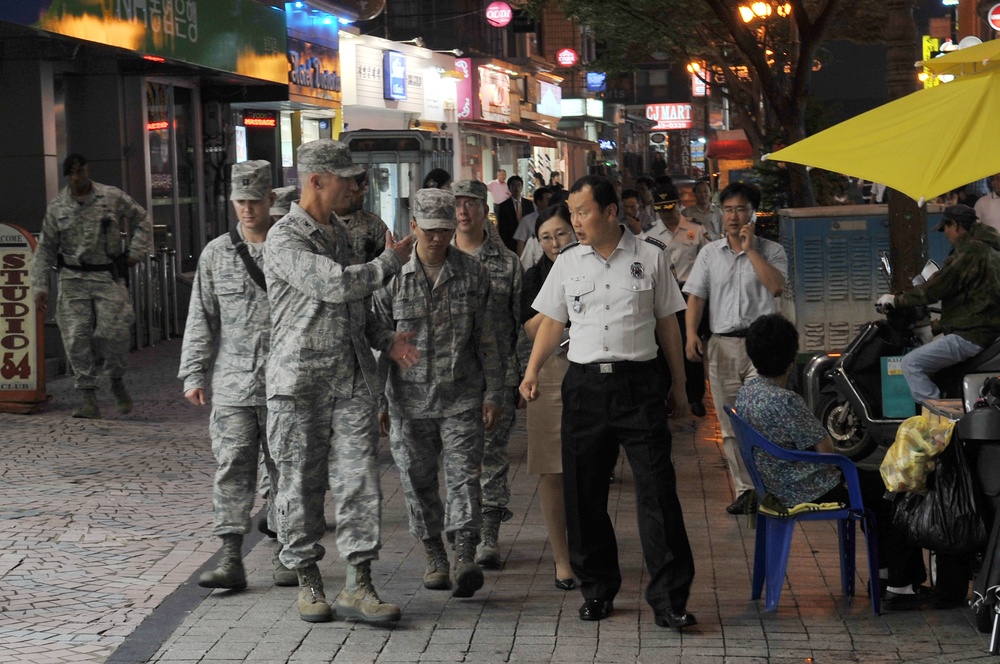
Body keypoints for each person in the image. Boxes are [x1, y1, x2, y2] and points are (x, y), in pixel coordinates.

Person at [519, 175, 696, 630]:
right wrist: (532, 370)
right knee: (583, 494)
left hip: (639, 386)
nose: (575, 222)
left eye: (583, 212)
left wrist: (679, 388)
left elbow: (668, 327)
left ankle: (669, 599)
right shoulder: (567, 263)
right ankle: (596, 590)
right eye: (572, 213)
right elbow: (553, 322)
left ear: (611, 212)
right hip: (584, 388)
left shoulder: (650, 258)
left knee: (657, 491)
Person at [264, 138, 417, 624]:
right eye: (345, 178)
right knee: (300, 485)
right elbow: (337, 285)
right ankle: (308, 579)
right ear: (316, 181)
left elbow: (359, 307)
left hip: (351, 381)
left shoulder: (342, 235)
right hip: (299, 385)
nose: (354, 185)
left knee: (360, 483)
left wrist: (385, 337)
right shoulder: (285, 237)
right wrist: (391, 260)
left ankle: (359, 584)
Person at [734, 314, 929, 610]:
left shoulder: (747, 393)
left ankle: (885, 576)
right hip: (809, 487)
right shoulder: (787, 401)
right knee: (895, 491)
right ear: (791, 358)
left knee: (876, 492)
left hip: (776, 484)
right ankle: (900, 586)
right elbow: (827, 452)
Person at [373, 188, 503, 598]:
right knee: (416, 480)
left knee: (465, 476)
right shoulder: (390, 277)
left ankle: (464, 552)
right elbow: (374, 337)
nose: (437, 239)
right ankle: (434, 554)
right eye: (429, 231)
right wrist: (379, 400)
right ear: (413, 228)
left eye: (445, 230)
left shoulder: (473, 272)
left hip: (461, 395)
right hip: (407, 401)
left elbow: (488, 339)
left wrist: (494, 392)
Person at [178, 160, 294, 591]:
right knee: (232, 468)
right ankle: (230, 556)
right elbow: (202, 317)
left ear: (270, 200)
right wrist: (193, 373)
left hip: (287, 384)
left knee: (287, 470)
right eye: (239, 201)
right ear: (232, 202)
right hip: (233, 385)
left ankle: (287, 551)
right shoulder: (216, 253)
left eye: (254, 201)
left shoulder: (292, 249)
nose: (247, 209)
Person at [683, 181, 787, 516]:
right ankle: (745, 490)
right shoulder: (710, 253)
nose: (733, 215)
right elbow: (696, 297)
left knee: (763, 418)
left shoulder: (772, 251)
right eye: (728, 209)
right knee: (730, 423)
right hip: (722, 345)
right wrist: (690, 335)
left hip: (763, 346)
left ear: (753, 213)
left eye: (741, 209)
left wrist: (750, 249)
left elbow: (776, 286)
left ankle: (769, 488)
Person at [31, 153, 152, 419]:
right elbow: (45, 249)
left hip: (107, 274)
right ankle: (88, 398)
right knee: (75, 338)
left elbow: (143, 220)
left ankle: (116, 378)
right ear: (67, 176)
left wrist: (134, 252)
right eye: (73, 173)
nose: (78, 178)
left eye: (82, 171)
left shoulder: (110, 196)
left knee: (115, 332)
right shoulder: (57, 207)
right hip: (72, 277)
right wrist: (40, 287)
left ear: (88, 170)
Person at [452, 179, 523, 570]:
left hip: (496, 377)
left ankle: (489, 535)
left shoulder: (507, 262)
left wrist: (520, 376)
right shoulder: (439, 256)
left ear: (484, 210)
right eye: (457, 205)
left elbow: (518, 324)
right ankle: (465, 531)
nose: (463, 212)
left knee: (493, 457)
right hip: (452, 380)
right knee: (461, 460)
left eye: (471, 205)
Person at [879, 204, 1000, 404]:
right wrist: (934, 327)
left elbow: (937, 289)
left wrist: (896, 301)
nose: (945, 234)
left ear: (956, 225)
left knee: (911, 363)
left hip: (972, 335)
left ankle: (939, 417)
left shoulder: (971, 251)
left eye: (946, 228)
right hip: (984, 329)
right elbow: (971, 304)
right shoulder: (988, 247)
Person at [521, 202, 576, 591]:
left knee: (586, 468)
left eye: (560, 234)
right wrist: (560, 285)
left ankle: (588, 548)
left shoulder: (595, 265)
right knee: (551, 470)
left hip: (589, 369)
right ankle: (562, 561)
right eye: (545, 238)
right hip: (550, 372)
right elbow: (530, 329)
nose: (554, 242)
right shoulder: (535, 275)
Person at [644, 184, 709, 416]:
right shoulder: (648, 235)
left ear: (678, 204)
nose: (667, 213)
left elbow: (707, 261)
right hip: (661, 296)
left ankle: (695, 397)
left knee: (691, 347)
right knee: (662, 348)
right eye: (661, 209)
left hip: (689, 295)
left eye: (670, 208)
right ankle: (666, 396)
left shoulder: (695, 230)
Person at [336, 169, 389, 263]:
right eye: (357, 190)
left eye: (363, 189)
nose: (362, 194)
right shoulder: (323, 223)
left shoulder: (374, 224)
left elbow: (389, 264)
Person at [495, 175, 534, 253]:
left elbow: (532, 222)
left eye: (518, 185)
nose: (516, 188)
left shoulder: (528, 204)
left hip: (527, 241)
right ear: (509, 188)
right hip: (511, 242)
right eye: (513, 185)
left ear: (522, 187)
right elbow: (502, 228)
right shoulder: (503, 206)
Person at [515, 187, 552, 265]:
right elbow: (520, 243)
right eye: (548, 199)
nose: (551, 202)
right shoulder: (527, 220)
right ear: (539, 202)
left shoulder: (554, 219)